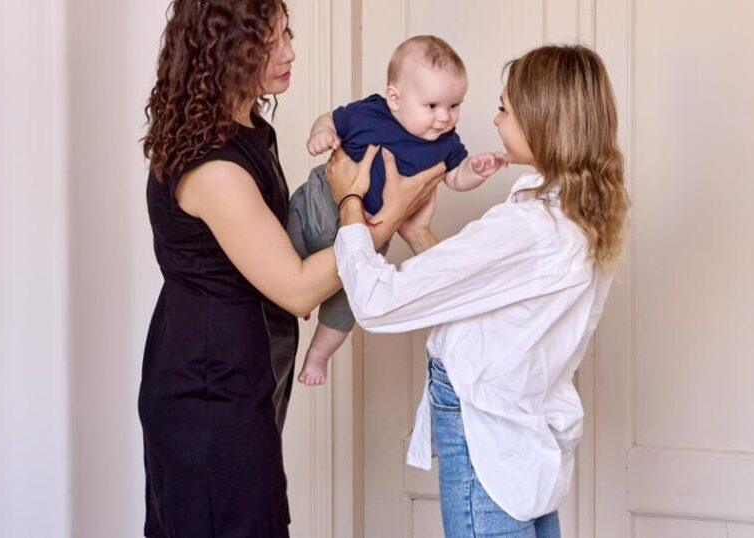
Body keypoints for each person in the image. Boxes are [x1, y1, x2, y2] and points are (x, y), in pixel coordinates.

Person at [137, 2, 443, 536]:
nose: (289, 52)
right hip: (207, 389)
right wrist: (381, 212)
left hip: (245, 370)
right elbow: (298, 289)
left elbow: (287, 251)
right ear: (226, 50)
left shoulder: (248, 128)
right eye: (269, 41)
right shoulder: (214, 168)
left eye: (288, 34)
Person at [327, 44, 630, 537]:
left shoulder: (526, 227)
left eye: (504, 108)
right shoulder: (577, 215)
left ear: (541, 121)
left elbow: (378, 305)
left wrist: (350, 203)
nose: (494, 119)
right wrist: (418, 234)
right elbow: (493, 298)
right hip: (523, 438)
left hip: (487, 437)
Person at [289, 35, 506, 386]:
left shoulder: (446, 143)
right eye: (432, 106)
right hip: (318, 206)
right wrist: (322, 133)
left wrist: (475, 171)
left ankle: (318, 356)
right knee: (285, 253)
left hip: (368, 235)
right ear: (395, 98)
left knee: (347, 304)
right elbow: (329, 119)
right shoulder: (369, 113)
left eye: (454, 105)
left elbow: (455, 176)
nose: (444, 117)